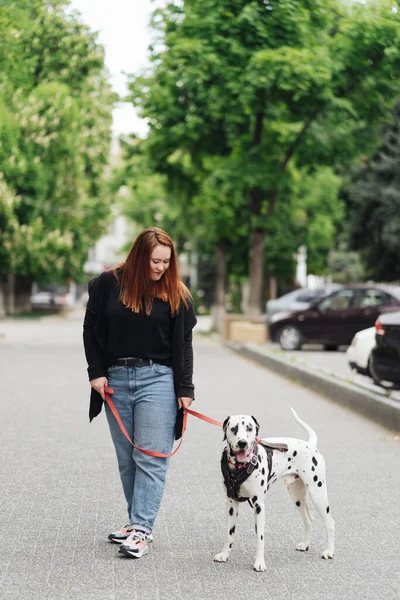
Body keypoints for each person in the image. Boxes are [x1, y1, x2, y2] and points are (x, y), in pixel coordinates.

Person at [83, 227, 197, 559]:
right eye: (155, 260)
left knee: (150, 456)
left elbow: (185, 346)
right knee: (127, 457)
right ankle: (135, 524)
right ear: (138, 256)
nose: (161, 267)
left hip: (158, 379)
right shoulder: (107, 284)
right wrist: (96, 373)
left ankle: (142, 528)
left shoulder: (177, 294)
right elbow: (91, 330)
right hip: (115, 379)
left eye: (166, 261)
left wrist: (185, 388)